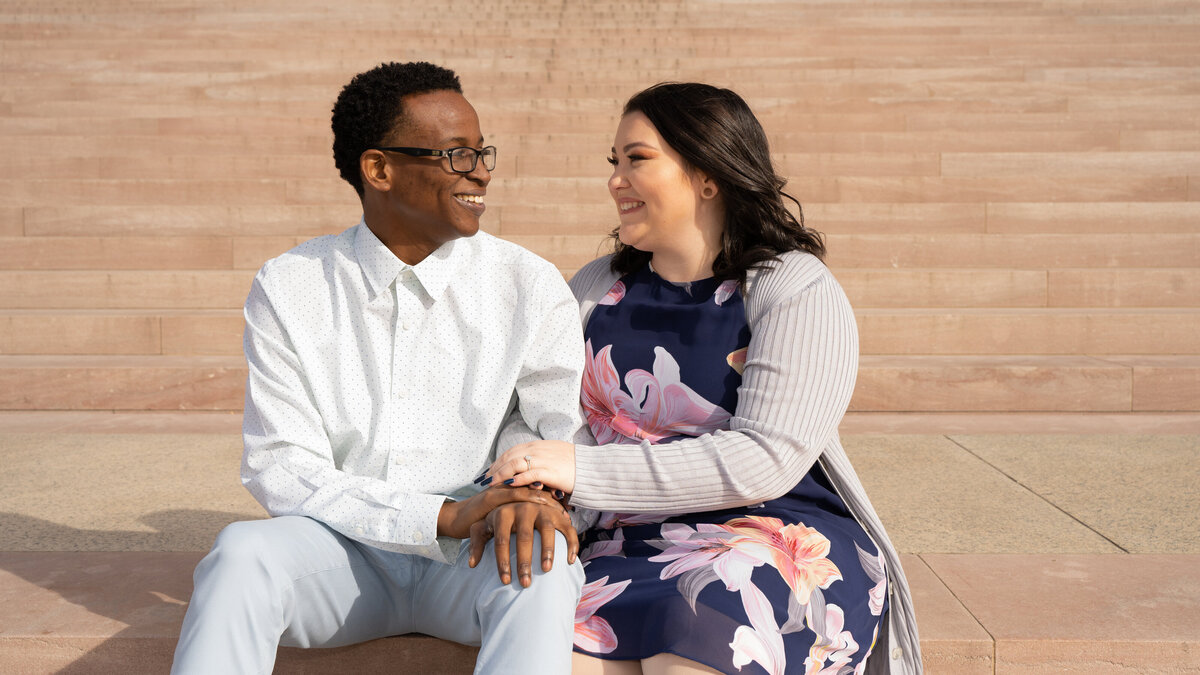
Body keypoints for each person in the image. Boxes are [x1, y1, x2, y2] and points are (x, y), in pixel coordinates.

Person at [484, 83, 922, 674]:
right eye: (614, 162)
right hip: (621, 547)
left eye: (637, 159)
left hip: (771, 540)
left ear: (708, 174)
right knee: (550, 655)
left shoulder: (792, 288)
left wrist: (579, 469)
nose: (616, 179)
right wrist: (529, 476)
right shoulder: (594, 289)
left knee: (695, 642)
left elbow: (767, 458)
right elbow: (536, 417)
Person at [171, 61, 589, 674]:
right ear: (379, 169)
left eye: (481, 152)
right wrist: (440, 515)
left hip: (475, 560)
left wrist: (522, 492)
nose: (480, 171)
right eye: (454, 155)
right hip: (342, 559)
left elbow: (552, 427)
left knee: (544, 562)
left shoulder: (527, 282)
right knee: (241, 554)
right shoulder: (292, 284)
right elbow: (279, 464)